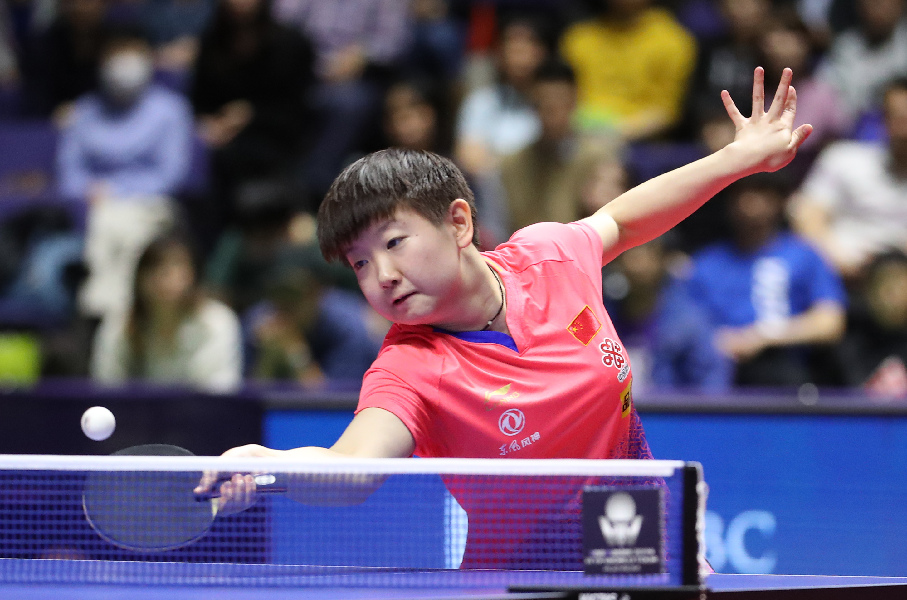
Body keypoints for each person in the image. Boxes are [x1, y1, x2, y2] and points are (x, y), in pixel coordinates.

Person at [197, 67, 812, 564]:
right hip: (521, 579)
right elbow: (354, 469)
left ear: (459, 223)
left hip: (643, 549)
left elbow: (623, 221)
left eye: (393, 243)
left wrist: (739, 158)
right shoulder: (410, 367)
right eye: (358, 263)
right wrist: (272, 465)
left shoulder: (548, 256)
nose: (380, 275)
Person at [57, 25, 194, 319]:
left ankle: (106, 313)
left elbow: (171, 174)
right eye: (117, 56)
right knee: (106, 221)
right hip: (92, 206)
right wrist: (89, 191)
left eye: (131, 55)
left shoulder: (171, 110)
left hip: (152, 205)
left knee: (117, 224)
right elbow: (69, 173)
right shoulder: (84, 111)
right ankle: (119, 316)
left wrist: (116, 191)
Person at [684, 174, 846, 387]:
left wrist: (763, 336)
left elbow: (829, 323)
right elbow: (683, 323)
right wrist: (714, 339)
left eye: (760, 191)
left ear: (780, 200)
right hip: (718, 372)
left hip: (788, 373)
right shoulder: (705, 263)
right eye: (740, 192)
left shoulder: (805, 256)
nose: (749, 201)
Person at [91, 233, 243, 392]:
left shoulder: (217, 323)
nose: (167, 278)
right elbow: (106, 390)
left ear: (193, 276)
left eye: (177, 267)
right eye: (156, 268)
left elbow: (221, 393)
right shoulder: (118, 325)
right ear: (139, 279)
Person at [789, 77, 907, 282]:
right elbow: (806, 215)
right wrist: (844, 264)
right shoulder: (843, 159)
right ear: (883, 120)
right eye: (898, 118)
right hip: (840, 276)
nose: (904, 130)